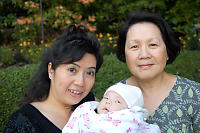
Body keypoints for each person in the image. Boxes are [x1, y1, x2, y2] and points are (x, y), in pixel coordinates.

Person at [3, 24, 103, 133]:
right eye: (72, 70)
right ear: (51, 70)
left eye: (89, 72)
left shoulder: (90, 104)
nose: (80, 82)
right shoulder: (23, 123)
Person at [116, 11, 200, 132]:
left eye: (153, 44)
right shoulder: (114, 94)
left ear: (167, 51)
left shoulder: (194, 94)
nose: (144, 55)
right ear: (124, 53)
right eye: (134, 46)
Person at [62, 82, 161, 133]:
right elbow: (72, 127)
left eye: (117, 101)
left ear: (129, 110)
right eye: (106, 98)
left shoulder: (129, 121)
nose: (108, 102)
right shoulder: (87, 111)